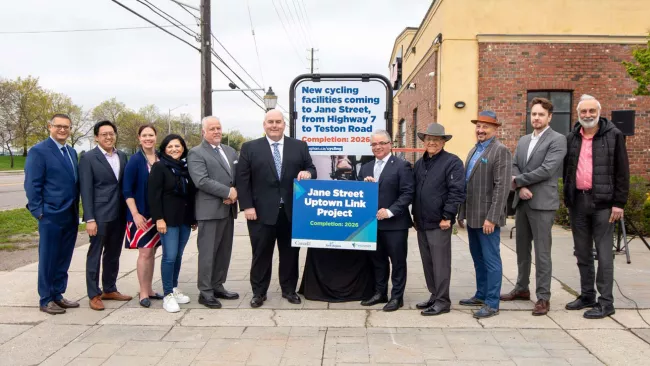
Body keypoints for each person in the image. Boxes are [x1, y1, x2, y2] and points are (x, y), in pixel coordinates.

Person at [237, 109, 316, 308]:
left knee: (290, 254)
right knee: (261, 254)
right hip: (260, 213)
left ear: (284, 124)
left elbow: (312, 169)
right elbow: (242, 180)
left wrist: (307, 173)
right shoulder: (250, 148)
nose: (274, 125)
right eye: (270, 122)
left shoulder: (299, 146)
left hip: (291, 212)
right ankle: (258, 293)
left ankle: (289, 290)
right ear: (264, 125)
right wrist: (247, 206)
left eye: (278, 122)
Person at [563, 94, 629, 319]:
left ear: (599, 112)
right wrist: (568, 197)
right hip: (578, 202)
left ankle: (606, 302)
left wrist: (619, 203)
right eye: (583, 112)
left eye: (591, 111)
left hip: (604, 204)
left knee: (603, 253)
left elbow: (622, 171)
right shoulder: (572, 137)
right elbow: (567, 170)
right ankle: (587, 295)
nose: (587, 115)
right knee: (582, 252)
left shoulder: (614, 135)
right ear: (578, 114)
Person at [500, 98, 567, 316]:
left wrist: (519, 182)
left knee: (542, 253)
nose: (536, 118)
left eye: (540, 114)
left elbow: (548, 169)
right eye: (533, 114)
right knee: (522, 250)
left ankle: (543, 297)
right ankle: (521, 289)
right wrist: (520, 189)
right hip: (523, 201)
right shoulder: (523, 140)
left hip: (542, 203)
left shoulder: (557, 140)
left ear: (549, 117)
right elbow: (515, 165)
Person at [458, 110, 512, 319]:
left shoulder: (500, 151)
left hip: (487, 218)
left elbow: (502, 187)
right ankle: (481, 294)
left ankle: (492, 302)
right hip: (472, 215)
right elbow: (466, 184)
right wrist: (461, 212)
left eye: (485, 127)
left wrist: (492, 217)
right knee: (478, 258)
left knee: (491, 260)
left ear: (495, 129)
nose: (480, 130)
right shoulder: (473, 150)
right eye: (478, 126)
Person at [24, 114, 80, 314]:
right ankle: (46, 298)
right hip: (50, 215)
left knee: (64, 257)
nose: (63, 130)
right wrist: (39, 212)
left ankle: (58, 294)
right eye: (58, 126)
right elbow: (32, 184)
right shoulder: (39, 151)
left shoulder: (72, 152)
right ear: (50, 127)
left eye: (66, 127)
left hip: (70, 214)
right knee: (48, 258)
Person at [412, 123, 465, 316]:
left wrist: (447, 216)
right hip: (421, 222)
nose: (431, 143)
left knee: (441, 263)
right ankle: (434, 295)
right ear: (424, 141)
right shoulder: (419, 163)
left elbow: (456, 191)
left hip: (439, 222)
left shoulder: (453, 162)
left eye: (436, 139)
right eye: (428, 139)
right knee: (428, 263)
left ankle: (443, 301)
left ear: (443, 142)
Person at [357, 130, 414, 312]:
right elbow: (358, 194)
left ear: (390, 144)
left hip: (395, 224)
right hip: (372, 224)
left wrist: (390, 211)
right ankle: (380, 293)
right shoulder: (365, 167)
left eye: (381, 143)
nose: (378, 147)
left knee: (397, 262)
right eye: (374, 144)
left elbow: (407, 193)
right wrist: (364, 186)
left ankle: (397, 297)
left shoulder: (401, 165)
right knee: (378, 261)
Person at [79, 120, 131, 311]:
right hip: (99, 215)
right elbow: (85, 189)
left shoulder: (123, 156)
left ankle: (109, 288)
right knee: (95, 253)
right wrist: (90, 218)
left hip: (119, 214)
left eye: (111, 133)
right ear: (96, 138)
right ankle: (94, 294)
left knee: (113, 253)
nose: (108, 137)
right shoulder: (88, 158)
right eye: (104, 134)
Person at [187, 117, 239, 309]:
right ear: (203, 132)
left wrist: (235, 192)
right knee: (208, 253)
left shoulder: (230, 151)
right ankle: (205, 292)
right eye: (212, 128)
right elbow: (201, 180)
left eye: (218, 127)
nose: (216, 131)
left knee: (224, 252)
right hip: (209, 211)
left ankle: (218, 286)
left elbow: (239, 175)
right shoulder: (196, 153)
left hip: (228, 209)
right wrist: (227, 192)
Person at [149, 134, 197, 313]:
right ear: (164, 149)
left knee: (178, 255)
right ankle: (167, 294)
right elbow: (153, 196)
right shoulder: (159, 167)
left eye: (177, 146)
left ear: (183, 148)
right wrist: (158, 218)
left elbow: (190, 195)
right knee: (169, 256)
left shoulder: (185, 168)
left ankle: (174, 287)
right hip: (167, 220)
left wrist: (193, 218)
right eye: (170, 146)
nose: (174, 149)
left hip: (184, 219)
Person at [123, 124, 163, 307]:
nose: (148, 138)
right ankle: (143, 292)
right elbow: (127, 190)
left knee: (153, 252)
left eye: (151, 135)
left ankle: (150, 289)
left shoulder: (160, 157)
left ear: (156, 137)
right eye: (144, 135)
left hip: (157, 216)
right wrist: (135, 214)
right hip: (141, 216)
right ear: (139, 138)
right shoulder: (135, 160)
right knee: (145, 253)